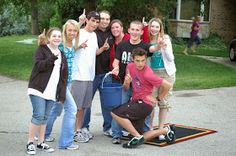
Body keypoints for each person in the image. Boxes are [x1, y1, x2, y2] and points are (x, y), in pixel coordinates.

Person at [111, 48, 176, 149]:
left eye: (143, 60)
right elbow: (126, 88)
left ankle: (137, 137)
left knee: (115, 113)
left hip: (145, 104)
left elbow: (167, 85)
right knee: (143, 134)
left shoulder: (148, 73)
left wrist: (158, 98)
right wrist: (127, 82)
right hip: (136, 102)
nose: (140, 63)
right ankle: (165, 130)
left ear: (146, 59)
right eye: (137, 60)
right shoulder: (130, 67)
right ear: (133, 59)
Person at [111, 20, 164, 144]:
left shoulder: (144, 46)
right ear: (128, 30)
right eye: (132, 29)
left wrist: (159, 46)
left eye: (137, 30)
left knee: (144, 109)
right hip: (126, 84)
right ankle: (116, 134)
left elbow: (153, 48)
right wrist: (116, 67)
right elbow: (116, 60)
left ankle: (143, 132)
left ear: (141, 32)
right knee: (120, 108)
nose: (134, 32)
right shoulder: (122, 45)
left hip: (141, 87)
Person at [36, 20, 80, 150]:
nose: (72, 33)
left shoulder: (72, 44)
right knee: (72, 109)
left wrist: (81, 22)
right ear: (64, 31)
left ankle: (43, 135)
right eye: (69, 30)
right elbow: (47, 49)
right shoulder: (59, 44)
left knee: (56, 109)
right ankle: (65, 142)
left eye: (74, 30)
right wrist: (42, 42)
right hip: (59, 83)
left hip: (68, 81)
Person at [26, 27, 68, 155]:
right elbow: (39, 66)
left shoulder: (62, 54)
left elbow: (63, 77)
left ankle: (41, 142)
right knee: (38, 115)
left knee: (45, 117)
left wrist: (62, 94)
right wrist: (52, 58)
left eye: (59, 36)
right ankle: (30, 142)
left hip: (51, 91)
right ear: (49, 38)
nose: (57, 38)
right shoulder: (42, 50)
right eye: (54, 36)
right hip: (38, 89)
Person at [81, 10, 114, 138]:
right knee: (87, 103)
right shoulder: (91, 32)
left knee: (107, 103)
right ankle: (84, 127)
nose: (105, 21)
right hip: (92, 73)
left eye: (107, 19)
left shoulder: (112, 33)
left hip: (107, 74)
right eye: (102, 19)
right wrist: (80, 22)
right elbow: (73, 34)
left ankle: (108, 128)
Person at [143, 17, 176, 140]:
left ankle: (161, 130)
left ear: (160, 28)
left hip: (166, 74)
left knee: (163, 102)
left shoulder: (165, 38)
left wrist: (164, 47)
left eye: (157, 27)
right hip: (152, 74)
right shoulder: (147, 40)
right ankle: (150, 128)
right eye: (152, 26)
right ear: (149, 27)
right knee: (151, 102)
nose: (154, 29)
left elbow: (171, 58)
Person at [71, 11, 101, 143]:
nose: (95, 23)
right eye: (93, 20)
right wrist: (79, 23)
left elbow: (94, 52)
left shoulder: (94, 35)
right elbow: (68, 43)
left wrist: (104, 49)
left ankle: (78, 130)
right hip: (78, 75)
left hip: (89, 76)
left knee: (83, 106)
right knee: (75, 106)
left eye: (97, 21)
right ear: (87, 20)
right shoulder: (78, 32)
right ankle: (72, 132)